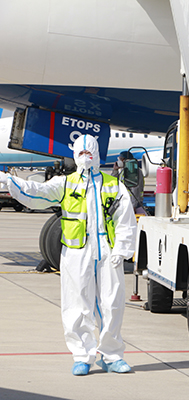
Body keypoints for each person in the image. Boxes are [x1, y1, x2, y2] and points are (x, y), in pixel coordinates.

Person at [0, 135, 137, 376]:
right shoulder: (65, 183)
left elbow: (125, 219)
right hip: (77, 251)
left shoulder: (113, 184)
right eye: (81, 153)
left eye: (90, 152)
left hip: (107, 250)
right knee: (77, 304)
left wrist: (122, 249)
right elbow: (37, 194)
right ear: (75, 156)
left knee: (112, 303)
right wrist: (10, 181)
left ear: (97, 154)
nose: (86, 157)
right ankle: (82, 356)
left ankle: (112, 356)